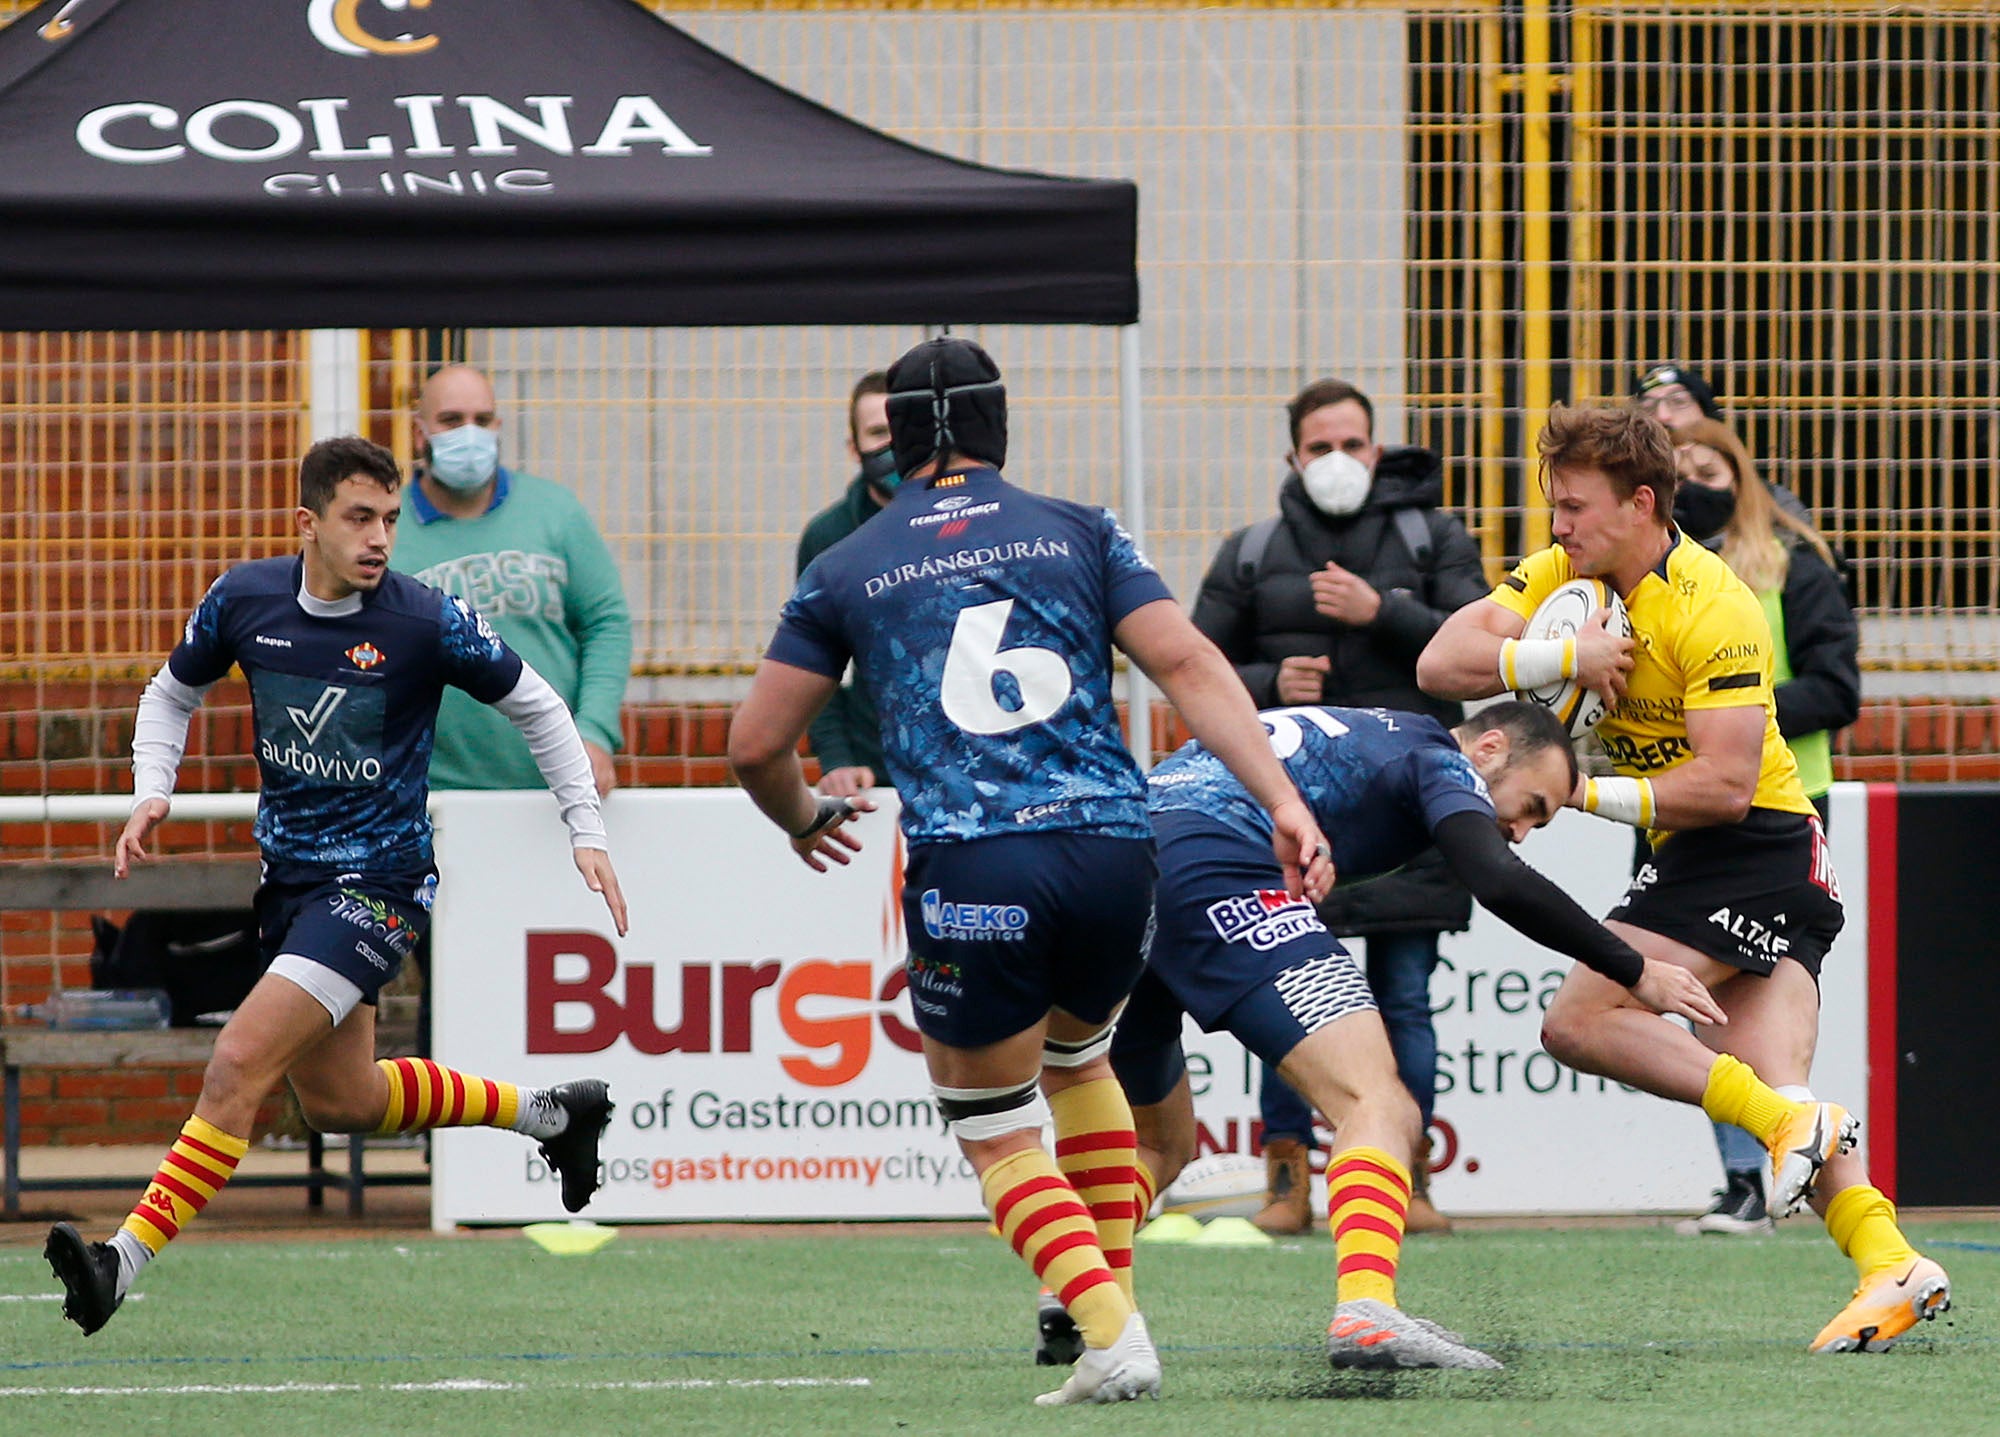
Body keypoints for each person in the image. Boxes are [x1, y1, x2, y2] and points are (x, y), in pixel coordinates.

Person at [727, 337, 1334, 1406]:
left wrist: (800, 816)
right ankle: (1105, 1299)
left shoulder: (847, 563)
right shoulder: (1082, 528)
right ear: (1002, 429)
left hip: (977, 864)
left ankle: (1109, 1332)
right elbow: (1188, 664)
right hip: (1113, 853)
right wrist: (1283, 802)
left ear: (893, 442)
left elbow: (751, 745)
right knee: (1078, 1060)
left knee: (991, 1119)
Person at [45, 436, 630, 1338]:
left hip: (378, 887)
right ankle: (554, 1114)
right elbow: (169, 693)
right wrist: (152, 787)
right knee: (342, 1101)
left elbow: (539, 705)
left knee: (239, 1061)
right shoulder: (244, 600)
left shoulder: (422, 620)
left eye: (391, 519)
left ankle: (118, 1262)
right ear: (308, 524)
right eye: (360, 518)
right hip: (291, 888)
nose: (380, 538)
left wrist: (584, 828)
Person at [1416, 404, 1950, 1353]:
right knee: (1778, 1089)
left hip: (1757, 847)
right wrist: (1561, 657)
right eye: (1555, 504)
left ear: (1643, 503)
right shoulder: (1564, 576)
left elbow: (1727, 784)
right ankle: (1891, 1263)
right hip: (1729, 860)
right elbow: (1440, 659)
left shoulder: (1716, 602)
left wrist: (1578, 789)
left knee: (1578, 1020)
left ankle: (1801, 1140)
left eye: (1576, 507)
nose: (1559, 525)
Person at [1041, 700, 1722, 1373]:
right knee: (1379, 1101)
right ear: (1486, 749)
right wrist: (1633, 968)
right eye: (1532, 804)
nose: (1520, 829)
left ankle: (1074, 1287)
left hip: (1118, 866)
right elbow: (1499, 879)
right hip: (1214, 861)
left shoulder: (1370, 731)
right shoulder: (1437, 757)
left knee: (1160, 1140)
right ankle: (1366, 1305)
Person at [1190, 377, 1490, 1236]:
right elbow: (1192, 666)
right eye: (1318, 447)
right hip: (1289, 813)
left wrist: (1383, 611)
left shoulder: (1432, 535)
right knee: (1284, 997)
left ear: (1377, 447)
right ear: (1292, 456)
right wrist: (1266, 683)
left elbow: (1477, 650)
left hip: (1409, 812)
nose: (1336, 462)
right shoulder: (1248, 550)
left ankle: (1407, 1179)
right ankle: (1286, 1183)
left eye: (1351, 444)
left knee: (1404, 1002)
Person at [391, 362, 632, 1055]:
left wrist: (594, 731)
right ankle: (455, 1144)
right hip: (439, 811)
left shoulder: (554, 513)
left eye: (483, 419)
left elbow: (608, 620)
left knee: (563, 991)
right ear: (420, 432)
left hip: (554, 808)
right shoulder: (391, 529)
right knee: (460, 995)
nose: (470, 434)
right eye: (450, 420)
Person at [1667, 416, 1860, 1237]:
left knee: (1760, 1006)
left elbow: (1838, 687)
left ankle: (1782, 1160)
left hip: (1781, 811)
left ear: (1740, 476)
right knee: (1697, 1001)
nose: (1694, 481)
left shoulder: (1791, 565)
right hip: (1680, 807)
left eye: (1707, 466)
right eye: (1677, 471)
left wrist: (1732, 714)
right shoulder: (1660, 578)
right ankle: (1757, 1172)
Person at [794, 370, 894, 798]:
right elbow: (814, 662)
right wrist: (836, 760)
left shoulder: (966, 523)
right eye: (878, 432)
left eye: (906, 429)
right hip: (874, 769)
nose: (895, 446)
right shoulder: (829, 538)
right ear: (854, 448)